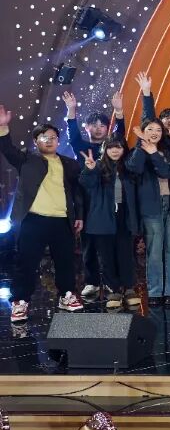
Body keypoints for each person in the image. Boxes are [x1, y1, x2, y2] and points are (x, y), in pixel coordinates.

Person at [0, 108, 84, 323]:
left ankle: (66, 295)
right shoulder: (27, 159)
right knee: (26, 263)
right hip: (33, 219)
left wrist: (79, 215)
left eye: (53, 137)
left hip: (61, 220)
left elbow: (77, 192)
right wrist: (3, 126)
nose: (49, 141)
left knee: (65, 261)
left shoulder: (70, 164)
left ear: (58, 140)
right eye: (44, 137)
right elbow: (7, 149)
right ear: (36, 141)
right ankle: (20, 301)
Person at [62, 90, 125, 301]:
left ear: (107, 128)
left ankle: (111, 281)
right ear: (87, 128)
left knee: (111, 245)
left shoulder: (113, 147)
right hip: (87, 200)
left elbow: (120, 133)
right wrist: (71, 109)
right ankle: (91, 282)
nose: (98, 128)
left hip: (110, 200)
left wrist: (119, 111)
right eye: (94, 125)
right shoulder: (82, 146)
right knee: (88, 243)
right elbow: (72, 134)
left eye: (102, 125)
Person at [127, 118, 170, 307]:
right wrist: (143, 146)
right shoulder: (137, 152)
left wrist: (155, 153)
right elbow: (134, 168)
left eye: (158, 130)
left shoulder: (168, 152)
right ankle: (154, 292)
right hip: (151, 206)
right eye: (150, 129)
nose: (154, 133)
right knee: (154, 251)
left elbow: (169, 171)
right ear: (143, 132)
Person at [78, 138, 140, 309]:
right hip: (102, 217)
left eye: (118, 147)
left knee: (126, 255)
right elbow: (86, 184)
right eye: (110, 147)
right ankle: (113, 290)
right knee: (106, 257)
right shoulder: (97, 166)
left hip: (124, 216)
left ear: (124, 149)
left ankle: (129, 288)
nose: (114, 151)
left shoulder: (128, 167)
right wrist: (89, 170)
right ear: (104, 150)